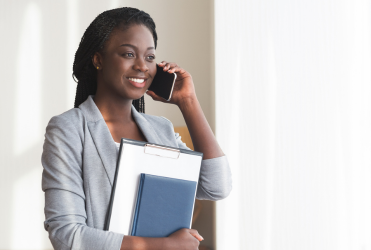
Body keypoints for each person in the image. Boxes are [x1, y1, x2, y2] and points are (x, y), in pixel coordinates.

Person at [41, 7, 232, 250]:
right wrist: (163, 245)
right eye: (129, 54)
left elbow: (216, 187)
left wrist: (188, 102)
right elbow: (66, 235)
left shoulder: (161, 129)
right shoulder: (68, 129)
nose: (142, 66)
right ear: (98, 59)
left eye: (150, 57)